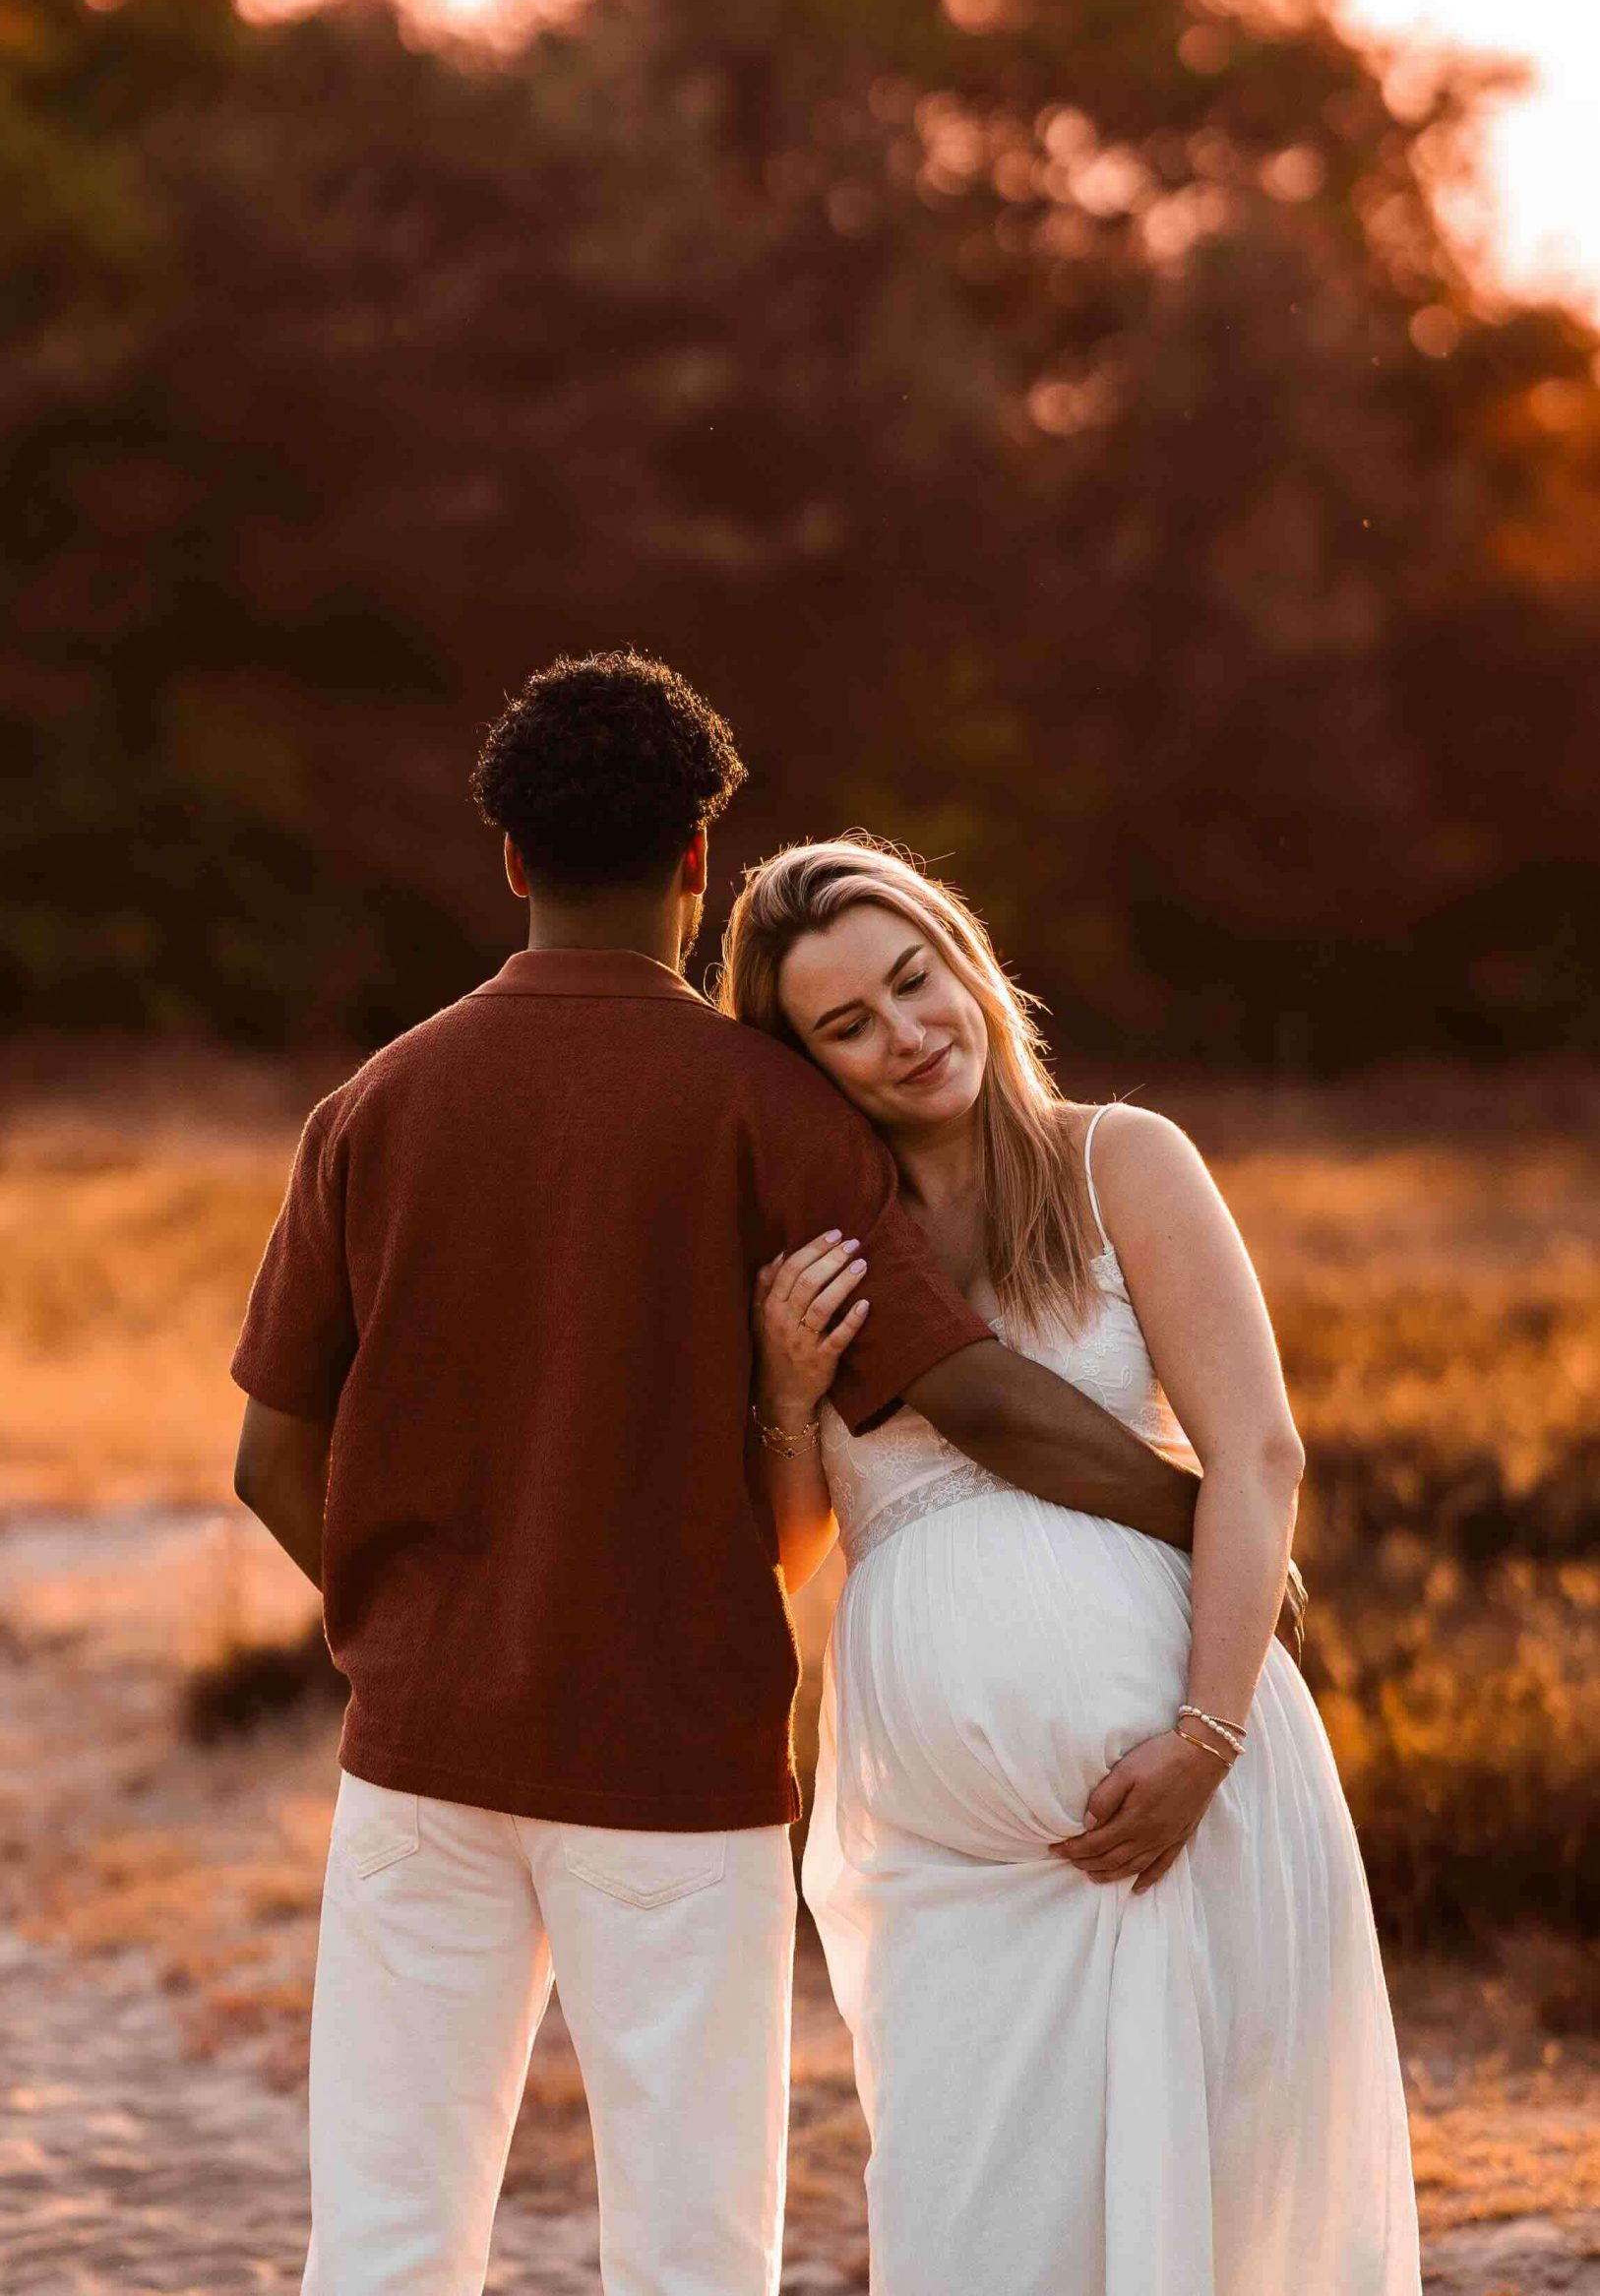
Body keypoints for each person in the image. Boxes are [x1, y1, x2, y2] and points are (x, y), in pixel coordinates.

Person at [229, 652, 1233, 2296]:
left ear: (507, 859)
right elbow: (963, 1388)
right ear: (701, 861)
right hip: (678, 1760)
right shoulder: (764, 1103)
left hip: (418, 1759)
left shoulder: (372, 1107)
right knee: (694, 2244)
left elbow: (276, 1459)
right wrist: (1202, 1515)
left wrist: (424, 1624)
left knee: (390, 2230)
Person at [723, 834, 1419, 2296]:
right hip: (945, 1853)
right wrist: (786, 1391)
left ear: (965, 960)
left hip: (1180, 1786)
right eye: (846, 1025)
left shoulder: (1120, 1159)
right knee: (969, 2207)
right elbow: (790, 1554)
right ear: (801, 1061)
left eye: (915, 982)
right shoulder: (825, 1241)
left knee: (1207, 2203)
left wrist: (1202, 1739)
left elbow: (1258, 1459)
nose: (905, 1034)